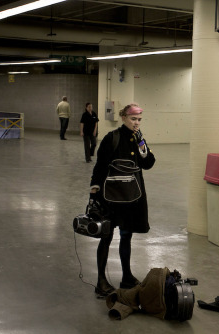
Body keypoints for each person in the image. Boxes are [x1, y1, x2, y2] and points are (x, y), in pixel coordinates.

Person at [89, 103, 156, 298]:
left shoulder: (138, 139)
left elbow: (148, 163)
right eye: (133, 119)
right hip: (111, 196)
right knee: (106, 236)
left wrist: (142, 143)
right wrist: (94, 192)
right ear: (124, 118)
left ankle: (127, 276)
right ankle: (101, 281)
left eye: (139, 120)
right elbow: (100, 167)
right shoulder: (112, 138)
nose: (136, 123)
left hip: (132, 196)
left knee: (127, 235)